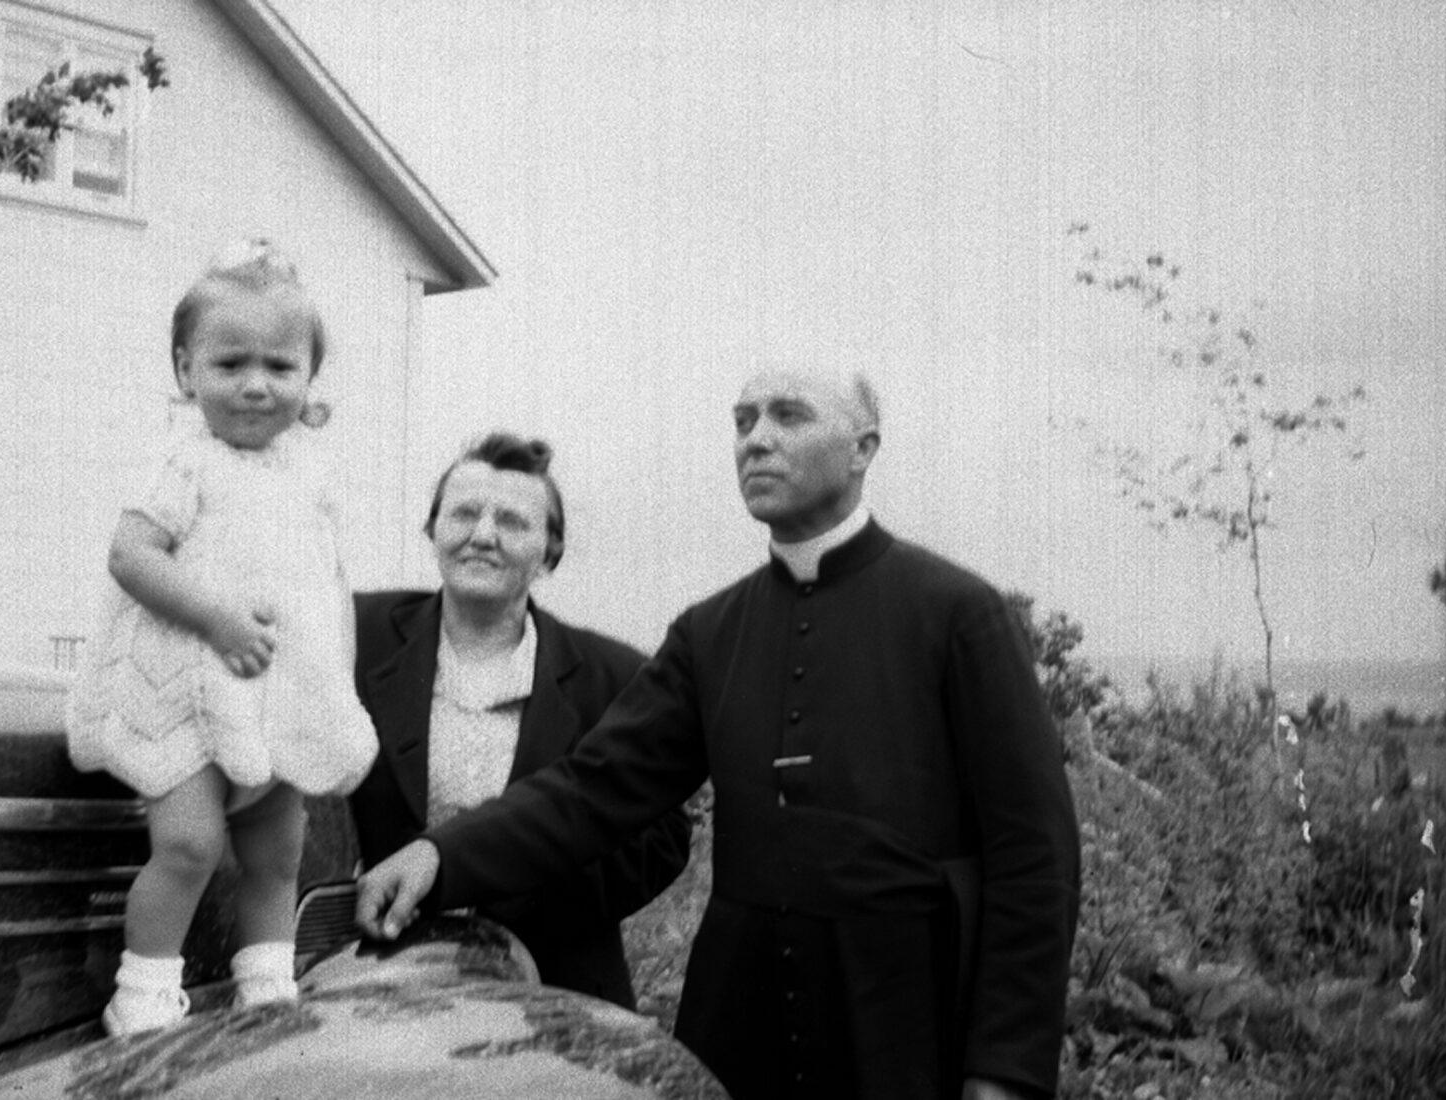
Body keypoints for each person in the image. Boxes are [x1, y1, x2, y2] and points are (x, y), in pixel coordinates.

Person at [357, 364, 1081, 1100]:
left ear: (862, 448)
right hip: (741, 1017)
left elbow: (1034, 856)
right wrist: (437, 858)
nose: (755, 441)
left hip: (903, 1016)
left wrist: (1003, 1069)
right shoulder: (710, 632)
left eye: (787, 416)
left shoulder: (957, 611)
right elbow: (593, 788)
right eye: (742, 421)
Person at [66, 241, 378, 1036]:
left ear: (309, 376)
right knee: (189, 845)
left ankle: (267, 987)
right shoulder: (184, 461)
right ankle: (142, 997)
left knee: (278, 853)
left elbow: (328, 582)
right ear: (185, 369)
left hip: (280, 692)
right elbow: (129, 555)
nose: (254, 384)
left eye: (279, 366)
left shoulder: (312, 473)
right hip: (193, 695)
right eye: (229, 362)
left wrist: (332, 675)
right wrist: (214, 618)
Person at [350, 432, 691, 1010]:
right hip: (371, 980)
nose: (483, 535)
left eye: (512, 521)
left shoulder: (614, 675)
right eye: (463, 513)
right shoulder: (358, 633)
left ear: (550, 551)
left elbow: (661, 841)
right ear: (432, 530)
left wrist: (494, 881)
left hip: (554, 989)